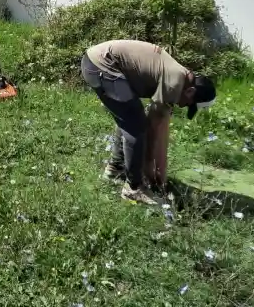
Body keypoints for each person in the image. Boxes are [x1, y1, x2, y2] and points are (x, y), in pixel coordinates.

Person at [81, 40, 216, 205]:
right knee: (136, 125)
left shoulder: (179, 78)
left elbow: (162, 129)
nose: (183, 106)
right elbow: (152, 130)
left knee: (129, 117)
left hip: (98, 63)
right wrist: (150, 170)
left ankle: (115, 169)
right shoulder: (174, 83)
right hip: (102, 65)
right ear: (190, 91)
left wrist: (161, 173)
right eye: (189, 104)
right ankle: (133, 188)